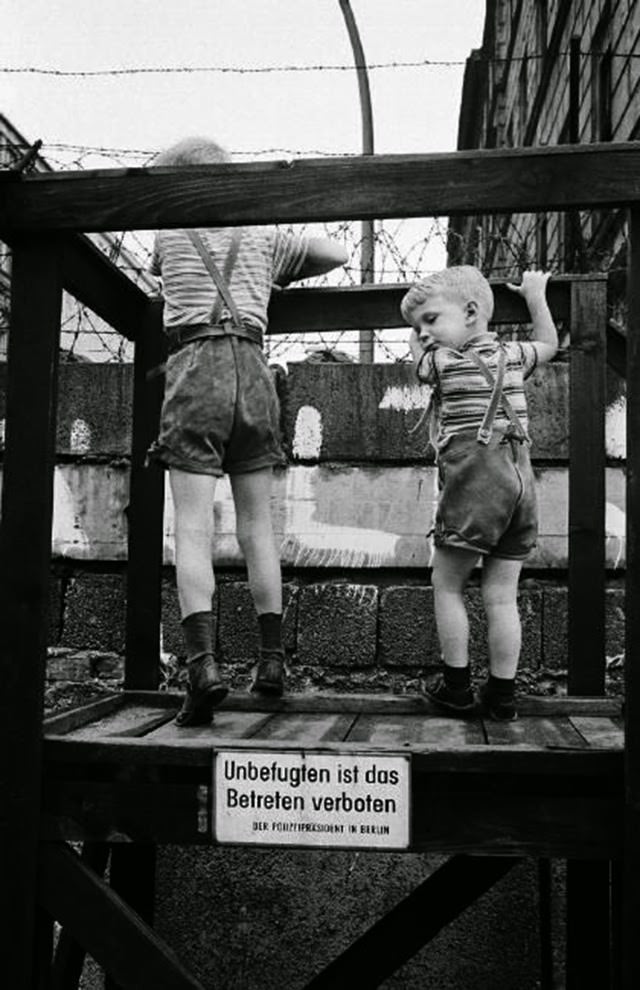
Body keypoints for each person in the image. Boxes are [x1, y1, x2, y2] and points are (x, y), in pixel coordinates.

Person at [148, 137, 348, 726]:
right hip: (255, 372)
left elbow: (157, 273)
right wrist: (277, 269)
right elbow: (333, 252)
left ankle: (203, 667)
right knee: (257, 526)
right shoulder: (263, 238)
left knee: (191, 527)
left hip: (194, 369)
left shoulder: (169, 233)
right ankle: (270, 663)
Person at [403, 266, 558, 721]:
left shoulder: (442, 364)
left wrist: (418, 346)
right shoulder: (514, 355)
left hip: (476, 484)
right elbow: (549, 344)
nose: (423, 333)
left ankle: (456, 686)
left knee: (446, 584)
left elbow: (418, 366)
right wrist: (535, 297)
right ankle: (503, 695)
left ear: (471, 312)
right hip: (521, 484)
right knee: (501, 595)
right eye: (418, 327)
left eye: (431, 320)